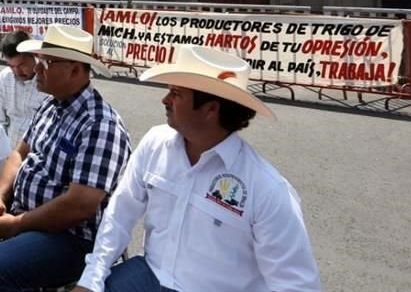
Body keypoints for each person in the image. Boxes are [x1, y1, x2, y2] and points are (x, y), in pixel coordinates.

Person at [73, 46, 322, 292]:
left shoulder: (268, 189)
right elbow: (119, 215)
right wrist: (91, 279)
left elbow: (296, 285)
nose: (165, 99)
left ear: (211, 109)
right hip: (147, 275)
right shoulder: (155, 144)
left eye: (176, 93)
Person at [0, 24, 131, 292]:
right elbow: (19, 153)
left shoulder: (101, 125)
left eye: (47, 62)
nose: (37, 69)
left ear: (75, 70)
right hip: (25, 205)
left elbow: (79, 206)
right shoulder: (51, 104)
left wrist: (17, 225)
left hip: (71, 237)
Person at [0, 30, 48, 150]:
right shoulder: (5, 78)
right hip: (7, 152)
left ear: (34, 56)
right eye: (11, 66)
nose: (17, 72)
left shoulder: (48, 81)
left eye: (21, 65)